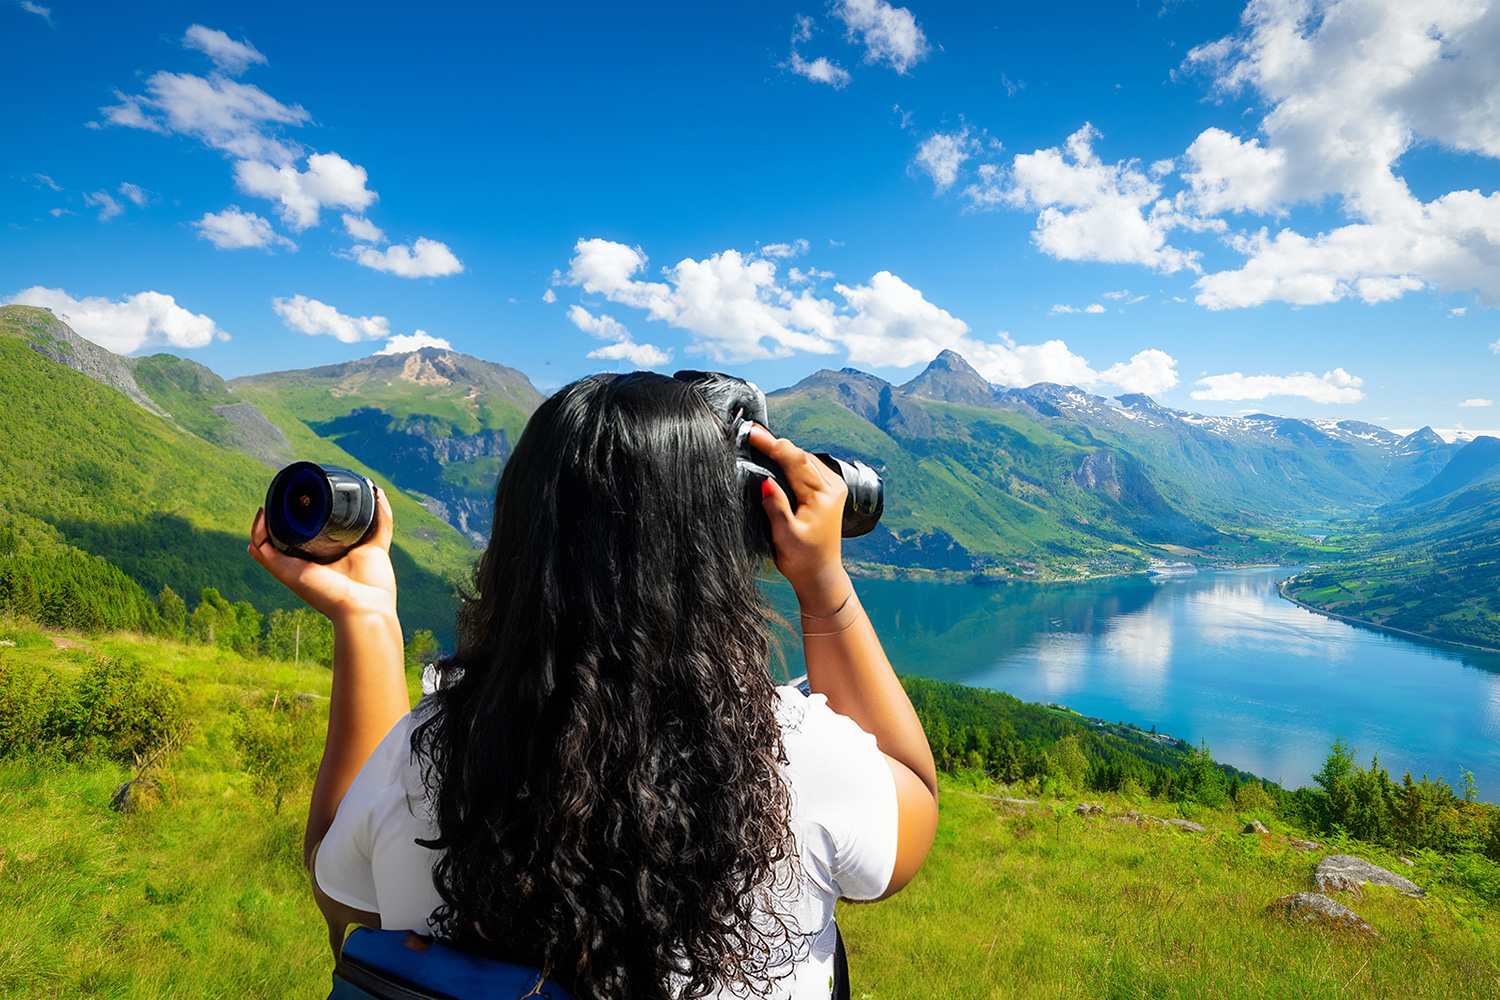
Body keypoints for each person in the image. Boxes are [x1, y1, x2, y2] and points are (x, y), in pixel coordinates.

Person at [248, 371, 938, 1000]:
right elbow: (910, 793)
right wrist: (824, 584)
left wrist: (366, 620)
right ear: (718, 550)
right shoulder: (799, 759)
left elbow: (340, 882)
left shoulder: (426, 752)